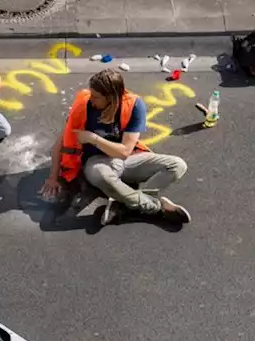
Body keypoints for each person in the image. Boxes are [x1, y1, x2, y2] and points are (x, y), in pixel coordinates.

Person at [39, 69, 191, 226]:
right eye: (91, 94)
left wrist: (94, 139)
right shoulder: (83, 106)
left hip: (128, 159)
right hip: (97, 162)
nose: (92, 100)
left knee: (177, 165)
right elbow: (60, 143)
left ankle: (122, 202)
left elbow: (124, 152)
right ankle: (153, 207)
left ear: (112, 98)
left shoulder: (134, 105)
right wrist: (53, 177)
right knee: (102, 176)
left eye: (96, 97)